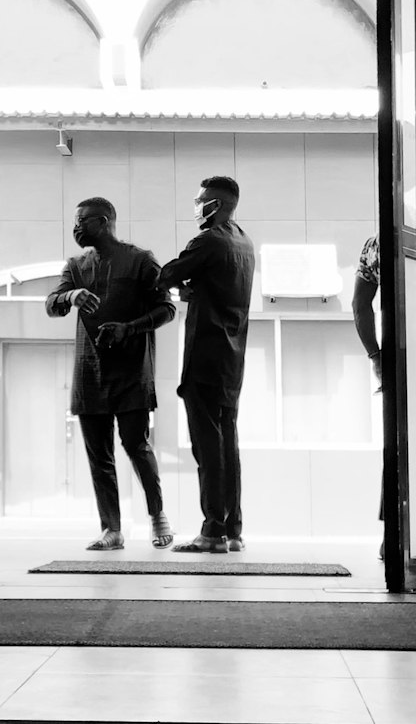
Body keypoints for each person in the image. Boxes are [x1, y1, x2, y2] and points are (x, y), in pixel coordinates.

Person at [46, 197, 176, 551]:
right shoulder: (75, 265)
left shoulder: (140, 260)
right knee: (98, 455)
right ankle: (112, 530)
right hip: (89, 374)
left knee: (136, 445)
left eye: (82, 221)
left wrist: (129, 328)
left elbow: (167, 309)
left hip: (132, 371)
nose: (75, 228)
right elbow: (51, 305)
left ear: (103, 222)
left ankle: (157, 515)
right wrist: (70, 295)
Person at [157, 176, 255, 554]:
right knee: (228, 446)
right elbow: (211, 284)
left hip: (204, 358)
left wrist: (177, 286)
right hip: (232, 361)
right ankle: (233, 531)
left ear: (215, 203)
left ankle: (211, 531)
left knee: (207, 448)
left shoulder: (208, 240)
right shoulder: (243, 242)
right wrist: (190, 288)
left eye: (200, 200)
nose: (196, 205)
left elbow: (166, 275)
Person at [352, 231, 385, 559]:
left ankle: (395, 534)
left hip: (400, 351)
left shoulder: (378, 243)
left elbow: (360, 304)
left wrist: (376, 356)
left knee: (399, 447)